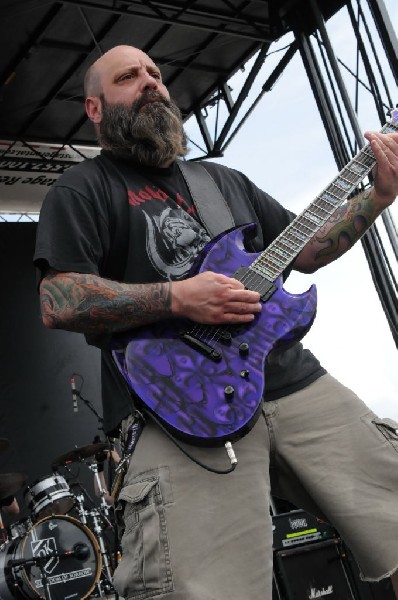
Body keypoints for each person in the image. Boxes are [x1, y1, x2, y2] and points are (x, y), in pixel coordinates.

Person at [33, 44, 398, 600]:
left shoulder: (221, 182)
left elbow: (307, 247)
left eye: (155, 73)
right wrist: (178, 297)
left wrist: (380, 194)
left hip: (293, 382)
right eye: (129, 77)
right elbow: (59, 298)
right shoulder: (83, 189)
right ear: (96, 108)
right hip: (177, 412)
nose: (151, 83)